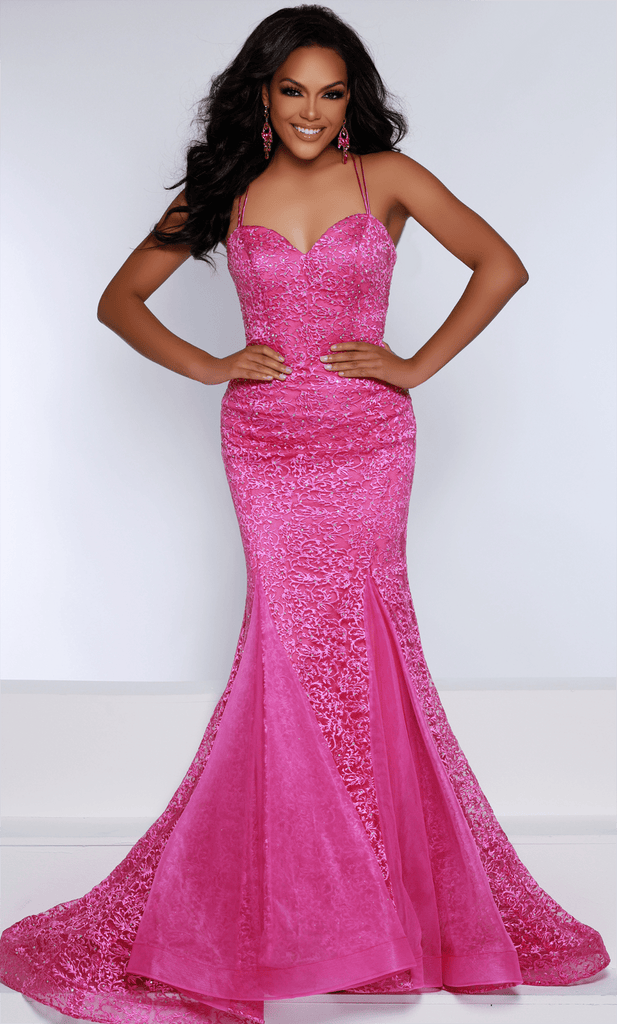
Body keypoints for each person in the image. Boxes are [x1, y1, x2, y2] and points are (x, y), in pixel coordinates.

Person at [0, 5, 609, 1024]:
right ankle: (309, 898)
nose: (312, 112)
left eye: (330, 92)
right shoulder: (228, 187)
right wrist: (208, 364)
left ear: (351, 98)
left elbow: (500, 264)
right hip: (266, 444)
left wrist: (414, 365)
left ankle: (371, 896)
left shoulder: (388, 178)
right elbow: (120, 301)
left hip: (368, 442)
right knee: (286, 644)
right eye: (292, 91)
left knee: (366, 640)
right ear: (262, 95)